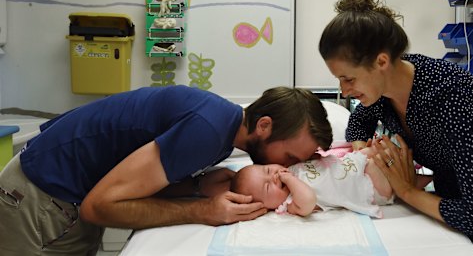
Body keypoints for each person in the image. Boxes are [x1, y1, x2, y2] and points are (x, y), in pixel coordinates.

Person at [318, 0, 473, 256]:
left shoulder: (451, 95)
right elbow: (358, 124)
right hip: (452, 204)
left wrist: (407, 191)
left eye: (348, 79)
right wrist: (363, 160)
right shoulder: (381, 91)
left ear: (381, 61)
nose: (344, 90)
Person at [0, 85, 332, 255]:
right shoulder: (208, 131)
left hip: (63, 191)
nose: (287, 169)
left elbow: (139, 183)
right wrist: (203, 210)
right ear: (264, 125)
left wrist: (197, 188)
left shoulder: (222, 131)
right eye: (289, 157)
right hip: (39, 194)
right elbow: (99, 207)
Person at [230, 145, 394, 218]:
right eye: (267, 187)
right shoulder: (290, 204)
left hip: (354, 163)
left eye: (267, 170)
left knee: (380, 150)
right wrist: (288, 179)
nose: (273, 176)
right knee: (381, 163)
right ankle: (413, 179)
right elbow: (309, 200)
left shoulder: (291, 166)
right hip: (364, 186)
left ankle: (413, 158)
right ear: (265, 207)